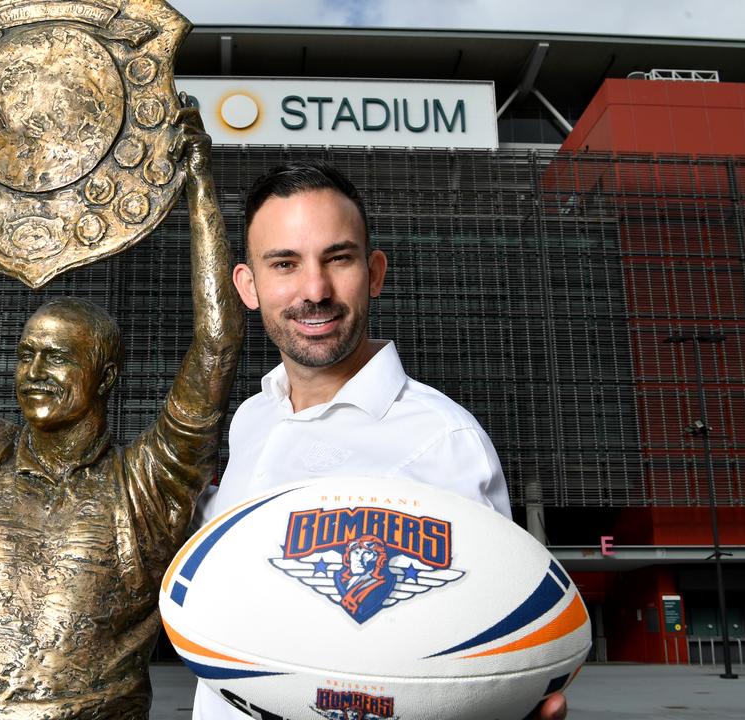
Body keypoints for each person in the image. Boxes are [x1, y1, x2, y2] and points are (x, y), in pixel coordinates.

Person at [0, 108, 242, 719]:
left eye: (57, 358)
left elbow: (216, 345)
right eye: (26, 355)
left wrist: (200, 187)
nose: (33, 373)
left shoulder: (149, 484)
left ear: (105, 376)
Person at [191, 160, 567, 720]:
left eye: (337, 259)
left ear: (374, 273)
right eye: (285, 264)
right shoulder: (251, 417)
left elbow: (484, 628)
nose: (314, 290)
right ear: (248, 285)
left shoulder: (445, 440)